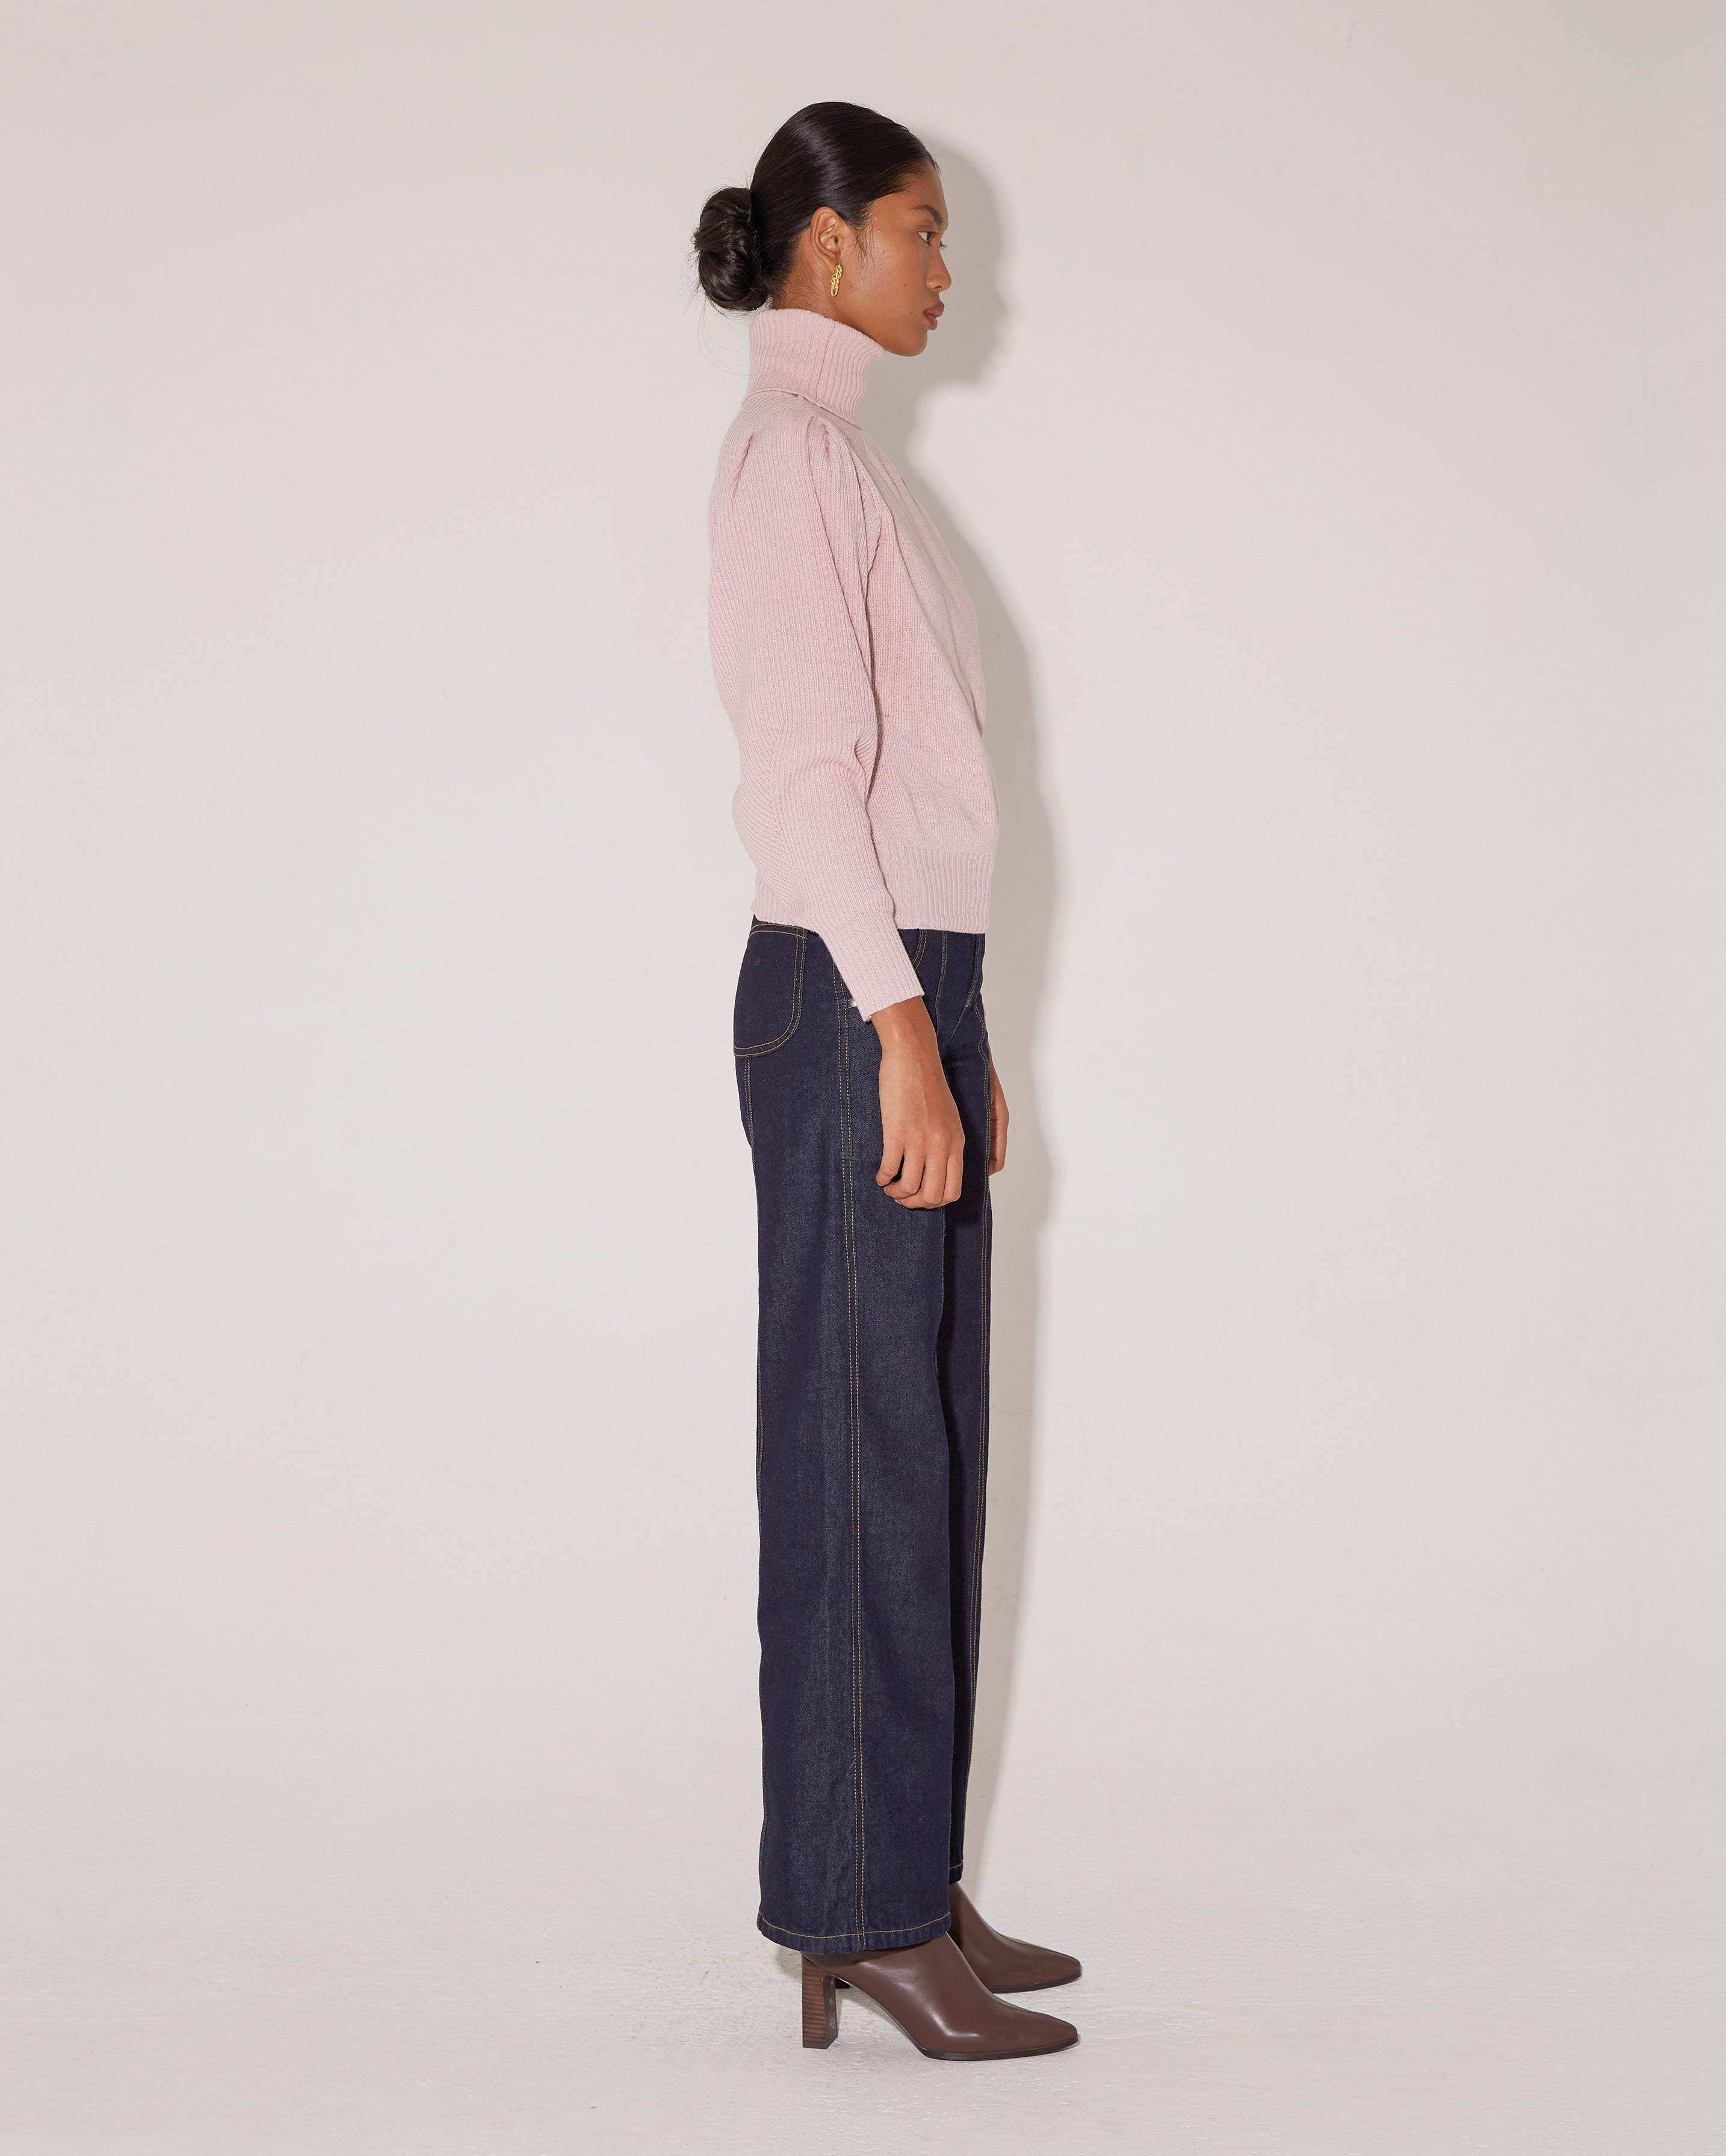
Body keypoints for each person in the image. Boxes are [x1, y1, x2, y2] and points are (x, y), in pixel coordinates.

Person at [692, 102, 1080, 2063]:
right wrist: (901, 1029)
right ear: (827, 241)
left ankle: (904, 1874)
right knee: (864, 1457)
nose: (950, 269)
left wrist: (956, 1021)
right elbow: (801, 785)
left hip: (911, 985)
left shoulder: (839, 455)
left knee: (923, 1445)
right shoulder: (791, 457)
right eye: (923, 230)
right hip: (857, 994)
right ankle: (852, 1908)